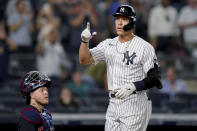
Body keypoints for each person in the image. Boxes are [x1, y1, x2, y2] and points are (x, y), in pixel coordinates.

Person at [79, 5, 162, 131]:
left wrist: (133, 86)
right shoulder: (108, 44)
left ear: (132, 22)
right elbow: (84, 60)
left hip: (135, 101)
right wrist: (84, 42)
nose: (119, 22)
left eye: (124, 19)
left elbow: (155, 78)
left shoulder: (144, 47)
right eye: (117, 18)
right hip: (113, 102)